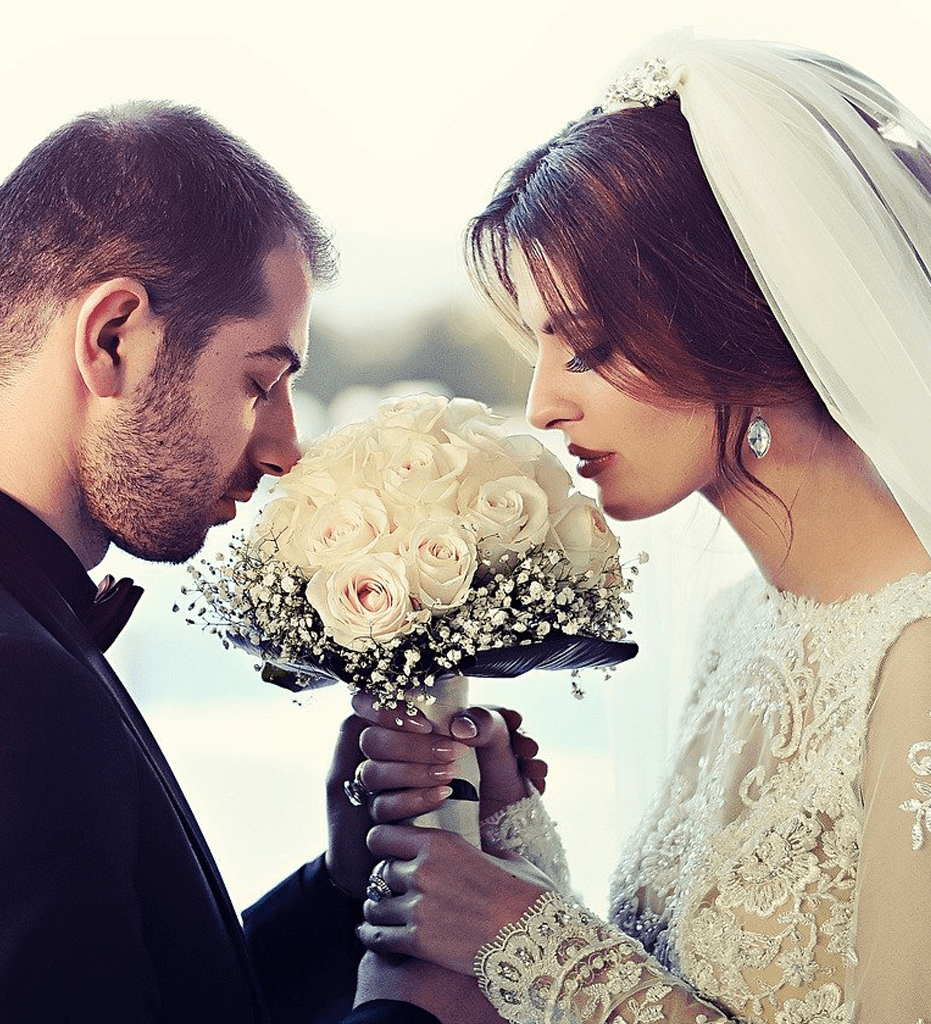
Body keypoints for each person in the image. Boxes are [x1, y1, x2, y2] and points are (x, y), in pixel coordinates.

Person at [348, 33, 931, 1023]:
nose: (539, 406)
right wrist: (503, 831)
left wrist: (513, 931)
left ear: (743, 313)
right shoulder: (741, 624)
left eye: (590, 344)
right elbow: (680, 975)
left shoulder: (916, 658)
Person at [0, 100, 463, 1024]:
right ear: (115, 335)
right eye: (260, 381)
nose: (286, 447)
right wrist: (425, 1006)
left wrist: (339, 890)